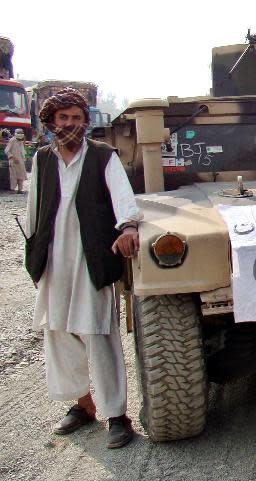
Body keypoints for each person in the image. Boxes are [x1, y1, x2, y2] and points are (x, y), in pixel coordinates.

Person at [24, 88, 142, 449]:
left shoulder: (103, 156)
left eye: (77, 118)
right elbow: (33, 210)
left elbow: (124, 199)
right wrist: (34, 258)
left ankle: (117, 415)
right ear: (50, 122)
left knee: (98, 335)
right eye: (64, 118)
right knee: (59, 332)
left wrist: (128, 226)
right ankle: (82, 405)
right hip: (54, 260)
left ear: (85, 121)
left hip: (90, 257)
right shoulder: (42, 160)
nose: (71, 125)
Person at [4, 128, 27, 193]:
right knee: (13, 176)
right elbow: (6, 150)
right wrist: (13, 158)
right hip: (13, 161)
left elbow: (22, 151)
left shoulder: (20, 141)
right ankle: (12, 189)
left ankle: (20, 189)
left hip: (21, 161)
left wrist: (24, 158)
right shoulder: (12, 140)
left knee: (21, 176)